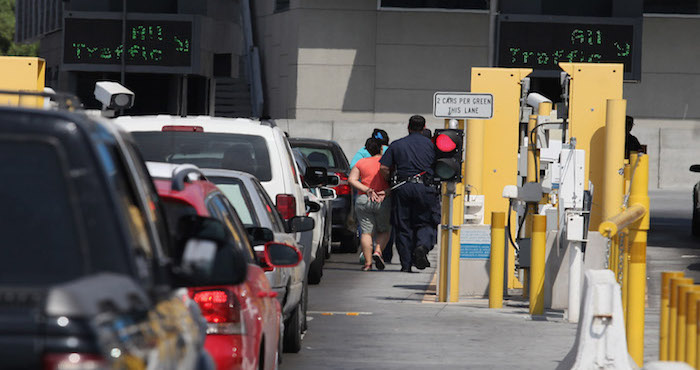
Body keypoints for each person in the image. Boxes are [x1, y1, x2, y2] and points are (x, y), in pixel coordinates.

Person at [379, 115, 437, 273]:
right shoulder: (432, 146)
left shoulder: (397, 144)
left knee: (403, 226)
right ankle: (422, 246)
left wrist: (391, 181)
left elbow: (383, 167)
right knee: (426, 222)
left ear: (408, 127)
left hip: (403, 187)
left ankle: (406, 264)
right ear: (424, 127)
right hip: (426, 188)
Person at [348, 139, 392, 271]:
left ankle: (367, 264)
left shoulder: (361, 162)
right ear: (381, 149)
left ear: (367, 150)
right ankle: (378, 251)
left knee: (366, 232)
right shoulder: (386, 163)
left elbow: (352, 179)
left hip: (363, 199)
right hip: (382, 199)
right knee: (384, 230)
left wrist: (367, 189)